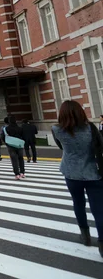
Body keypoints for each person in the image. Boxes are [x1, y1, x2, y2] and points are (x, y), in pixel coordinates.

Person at [52, 100, 103, 257]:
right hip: (93, 172)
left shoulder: (56, 130)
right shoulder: (91, 129)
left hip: (71, 172)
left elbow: (61, 147)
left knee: (78, 203)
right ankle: (102, 242)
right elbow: (99, 146)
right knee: (99, 209)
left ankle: (85, 235)